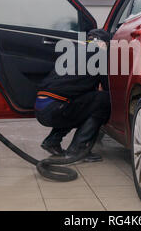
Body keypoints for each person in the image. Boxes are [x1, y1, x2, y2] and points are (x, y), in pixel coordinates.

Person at [35, 29, 111, 162]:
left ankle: (52, 141)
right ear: (104, 43)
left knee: (80, 104)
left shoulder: (72, 51)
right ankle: (78, 150)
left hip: (41, 108)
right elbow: (107, 87)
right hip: (55, 109)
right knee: (104, 100)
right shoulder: (100, 54)